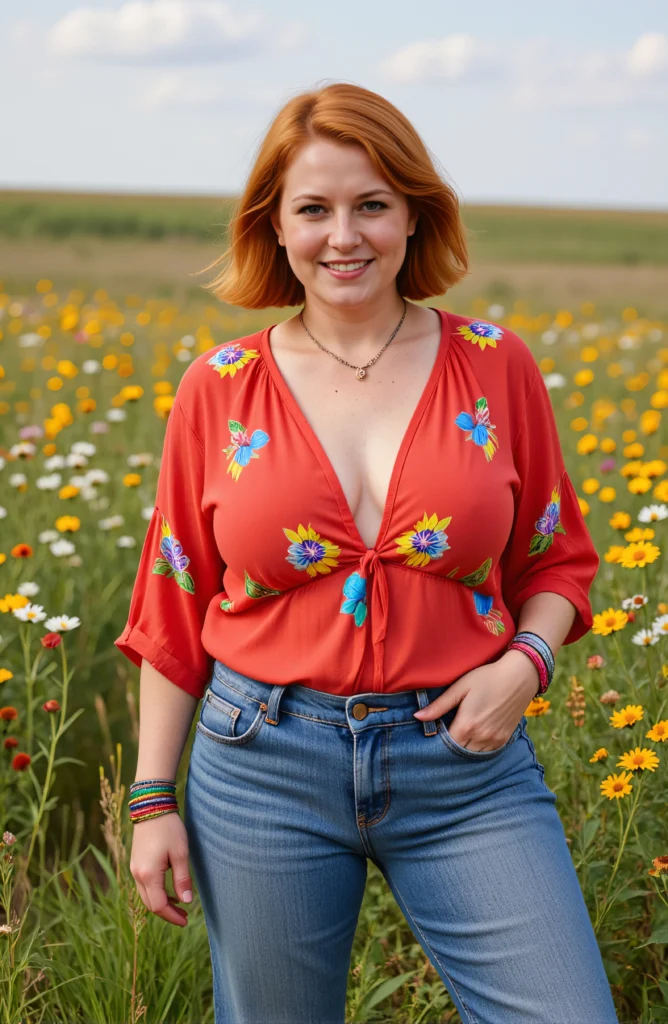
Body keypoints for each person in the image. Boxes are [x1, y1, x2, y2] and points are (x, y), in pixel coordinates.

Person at [115, 82, 619, 1024]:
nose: (343, 235)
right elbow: (174, 599)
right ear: (273, 225)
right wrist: (151, 802)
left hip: (467, 763)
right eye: (314, 209)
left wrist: (526, 666)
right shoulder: (219, 386)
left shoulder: (494, 363)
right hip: (261, 761)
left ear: (413, 214)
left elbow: (556, 561)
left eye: (371, 205)